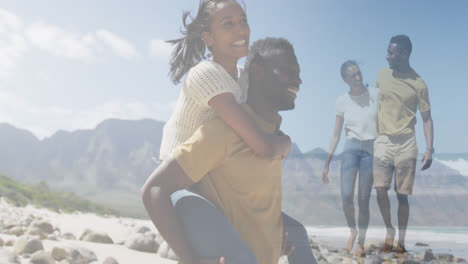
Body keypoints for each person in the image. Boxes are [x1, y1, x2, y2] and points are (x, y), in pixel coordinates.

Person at [141, 37, 317, 264]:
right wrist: (190, 260)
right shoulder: (224, 132)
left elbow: (249, 210)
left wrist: (272, 239)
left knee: (298, 234)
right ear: (258, 71)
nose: (298, 80)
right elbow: (154, 188)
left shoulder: (274, 137)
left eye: (298, 73)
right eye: (287, 71)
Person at [159, 0, 291, 164]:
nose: (241, 30)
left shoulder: (244, 77)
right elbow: (264, 147)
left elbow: (272, 121)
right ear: (209, 37)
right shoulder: (206, 74)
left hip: (209, 174)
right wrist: (286, 143)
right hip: (175, 176)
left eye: (243, 21)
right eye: (228, 24)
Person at [373, 35, 434, 255]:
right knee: (380, 190)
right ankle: (389, 229)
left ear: (405, 54)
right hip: (383, 140)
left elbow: (427, 119)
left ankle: (401, 241)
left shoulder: (419, 84)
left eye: (391, 53)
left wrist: (429, 148)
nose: (387, 56)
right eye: (388, 51)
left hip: (407, 142)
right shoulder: (381, 75)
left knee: (402, 195)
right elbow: (375, 105)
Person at [322, 60, 378, 256]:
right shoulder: (342, 101)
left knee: (363, 198)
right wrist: (327, 162)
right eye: (353, 75)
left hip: (371, 150)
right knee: (346, 196)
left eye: (359, 73)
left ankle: (361, 241)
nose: (358, 77)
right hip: (351, 148)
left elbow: (387, 120)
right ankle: (352, 231)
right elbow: (336, 134)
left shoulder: (376, 95)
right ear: (345, 79)